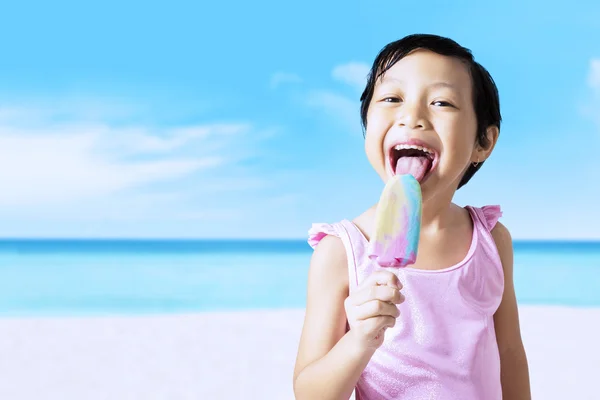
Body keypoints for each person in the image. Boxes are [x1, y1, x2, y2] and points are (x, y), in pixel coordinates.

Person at [292, 34, 531, 399]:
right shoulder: (342, 252)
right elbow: (310, 393)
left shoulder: (492, 241)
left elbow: (510, 355)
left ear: (482, 142)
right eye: (391, 99)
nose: (412, 117)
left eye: (442, 102)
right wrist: (359, 340)